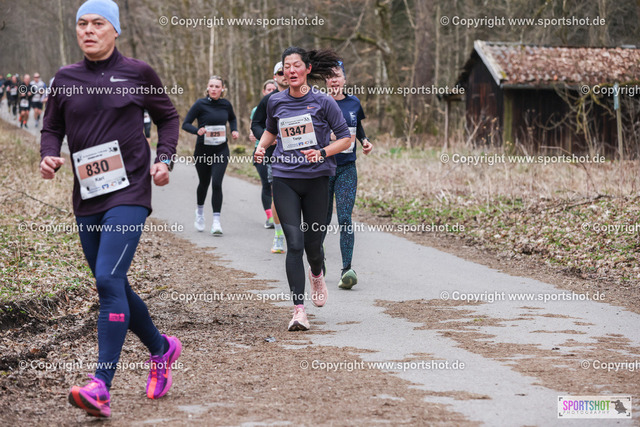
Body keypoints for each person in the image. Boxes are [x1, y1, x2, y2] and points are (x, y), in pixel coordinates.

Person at [40, 0, 181, 418]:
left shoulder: (139, 73)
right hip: (87, 195)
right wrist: (49, 154)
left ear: (115, 30)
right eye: (82, 23)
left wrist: (165, 159)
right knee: (112, 283)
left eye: (98, 23)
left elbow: (168, 118)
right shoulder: (65, 79)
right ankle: (161, 348)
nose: (88, 30)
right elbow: (52, 126)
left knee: (107, 278)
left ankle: (100, 385)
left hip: (130, 191)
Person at [254, 47, 351, 331]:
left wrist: (322, 152)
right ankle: (299, 310)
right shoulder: (275, 101)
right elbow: (271, 130)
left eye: (297, 65)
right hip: (284, 177)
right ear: (283, 72)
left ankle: (317, 273)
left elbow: (345, 139)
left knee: (313, 246)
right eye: (287, 66)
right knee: (294, 244)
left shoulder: (323, 102)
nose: (291, 70)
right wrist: (261, 146)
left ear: (307, 69)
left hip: (317, 179)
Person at [323, 62, 373, 289]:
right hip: (324, 169)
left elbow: (357, 126)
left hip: (347, 168)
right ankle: (318, 262)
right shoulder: (319, 103)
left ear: (344, 79)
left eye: (337, 75)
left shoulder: (354, 102)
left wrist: (364, 140)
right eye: (330, 76)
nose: (334, 79)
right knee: (321, 220)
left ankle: (346, 270)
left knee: (344, 218)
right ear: (325, 81)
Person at [182, 75, 239, 235]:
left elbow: (232, 118)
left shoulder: (226, 104)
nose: (214, 89)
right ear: (207, 88)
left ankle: (216, 222)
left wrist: (234, 130)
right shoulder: (200, 104)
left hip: (221, 149)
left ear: (222, 89)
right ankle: (200, 212)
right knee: (204, 183)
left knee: (217, 184)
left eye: (217, 86)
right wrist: (197, 130)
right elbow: (185, 124)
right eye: (211, 86)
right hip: (203, 151)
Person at [251, 62, 290, 253]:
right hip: (274, 155)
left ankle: (309, 237)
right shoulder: (269, 100)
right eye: (280, 72)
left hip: (299, 156)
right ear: (275, 77)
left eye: (287, 71)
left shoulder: (303, 96)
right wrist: (266, 139)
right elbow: (256, 124)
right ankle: (278, 236)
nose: (285, 75)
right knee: (278, 195)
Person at [250, 79, 277, 229]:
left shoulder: (282, 103)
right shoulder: (258, 108)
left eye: (274, 89)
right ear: (264, 92)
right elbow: (253, 128)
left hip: (277, 151)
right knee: (266, 183)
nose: (271, 92)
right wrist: (259, 136)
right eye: (268, 89)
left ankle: (279, 216)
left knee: (277, 185)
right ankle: (270, 217)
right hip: (261, 151)